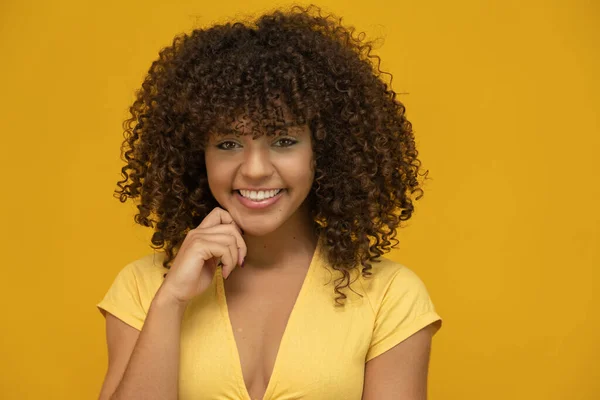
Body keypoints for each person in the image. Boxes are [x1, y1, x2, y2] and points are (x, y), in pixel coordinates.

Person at [96, 4, 442, 400]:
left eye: (283, 140)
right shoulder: (143, 288)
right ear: (197, 156)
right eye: (228, 144)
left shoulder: (390, 295)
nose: (255, 169)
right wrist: (171, 301)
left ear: (323, 150)